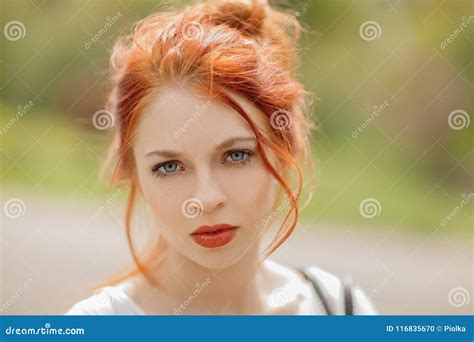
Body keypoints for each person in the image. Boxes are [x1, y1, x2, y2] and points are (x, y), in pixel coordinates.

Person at [66, 0, 378, 315]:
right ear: (130, 170)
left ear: (286, 144)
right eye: (169, 166)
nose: (206, 198)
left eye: (236, 155)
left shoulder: (339, 308)